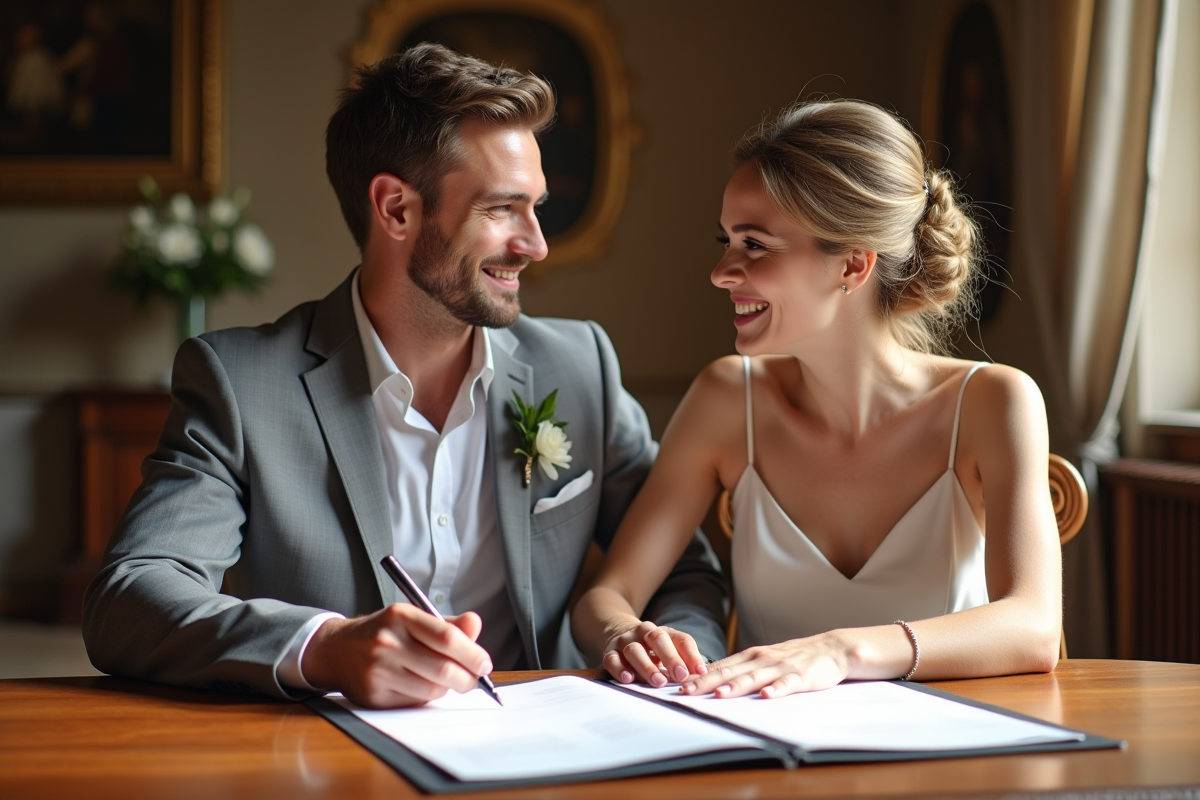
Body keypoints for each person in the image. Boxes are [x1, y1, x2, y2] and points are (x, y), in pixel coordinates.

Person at [82, 43, 726, 709]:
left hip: (546, 746)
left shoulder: (580, 365)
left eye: (535, 207)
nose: (535, 243)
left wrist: (670, 660)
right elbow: (131, 595)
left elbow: (684, 567)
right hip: (329, 756)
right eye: (503, 208)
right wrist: (325, 647)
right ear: (395, 209)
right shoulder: (241, 384)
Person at [572, 99, 1062, 699]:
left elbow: (1034, 626)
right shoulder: (727, 399)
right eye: (726, 240)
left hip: (948, 753)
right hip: (770, 758)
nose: (721, 271)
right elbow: (607, 593)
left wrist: (839, 651)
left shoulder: (994, 401)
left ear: (852, 265)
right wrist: (625, 634)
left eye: (753, 245)